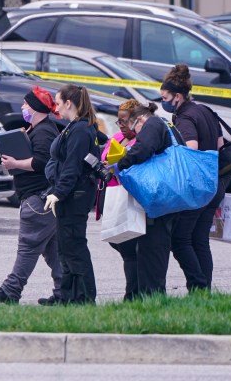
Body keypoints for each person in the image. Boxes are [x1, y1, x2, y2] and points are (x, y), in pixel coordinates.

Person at [0, 87, 63, 305]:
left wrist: (15, 163)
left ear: (36, 108)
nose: (23, 108)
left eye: (26, 104)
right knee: (54, 251)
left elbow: (42, 161)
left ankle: (11, 291)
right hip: (41, 199)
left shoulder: (44, 131)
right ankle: (66, 293)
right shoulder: (38, 129)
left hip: (38, 199)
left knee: (28, 247)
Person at [160, 63, 225, 291]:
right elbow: (220, 144)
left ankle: (197, 285)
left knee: (179, 240)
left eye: (165, 97)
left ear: (177, 97)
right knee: (199, 239)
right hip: (215, 184)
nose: (163, 101)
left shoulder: (185, 117)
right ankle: (203, 291)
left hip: (197, 188)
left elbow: (191, 149)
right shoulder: (204, 110)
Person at [111, 101, 184, 297]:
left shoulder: (153, 124)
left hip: (160, 202)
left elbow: (142, 149)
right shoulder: (166, 125)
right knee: (153, 250)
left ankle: (151, 299)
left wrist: (120, 164)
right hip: (168, 199)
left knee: (152, 251)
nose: (134, 132)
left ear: (140, 119)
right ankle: (148, 297)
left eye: (133, 126)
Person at [44, 84, 99, 304]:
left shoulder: (80, 130)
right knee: (65, 248)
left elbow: (72, 166)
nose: (56, 108)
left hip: (74, 196)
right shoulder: (77, 127)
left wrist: (57, 193)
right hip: (72, 195)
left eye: (58, 103)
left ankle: (84, 297)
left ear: (69, 103)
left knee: (74, 247)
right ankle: (67, 296)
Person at [100, 99, 141, 301]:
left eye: (125, 121)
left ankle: (131, 294)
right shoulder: (116, 137)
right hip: (113, 195)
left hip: (130, 196)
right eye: (119, 121)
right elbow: (105, 157)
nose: (122, 126)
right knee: (117, 241)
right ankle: (132, 291)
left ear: (135, 121)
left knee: (129, 247)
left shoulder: (141, 140)